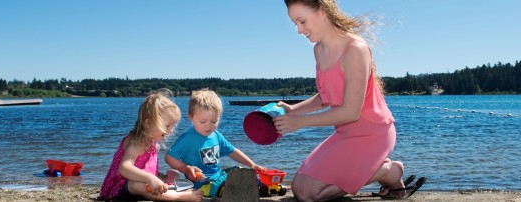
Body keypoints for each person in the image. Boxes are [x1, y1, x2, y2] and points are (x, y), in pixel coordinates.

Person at [273, 0, 425, 201]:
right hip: (345, 132)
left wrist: (301, 122)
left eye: (302, 21)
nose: (300, 31)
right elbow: (326, 95)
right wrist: (294, 110)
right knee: (299, 185)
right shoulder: (319, 49)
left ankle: (387, 172)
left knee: (307, 193)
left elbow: (351, 112)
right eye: (295, 24)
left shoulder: (355, 49)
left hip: (373, 133)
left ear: (322, 11)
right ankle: (376, 167)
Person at [98, 93, 203, 201]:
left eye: (173, 125)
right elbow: (124, 168)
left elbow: (146, 168)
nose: (171, 130)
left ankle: (167, 189)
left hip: (145, 184)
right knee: (137, 184)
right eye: (167, 125)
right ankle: (179, 196)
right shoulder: (137, 141)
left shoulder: (152, 141)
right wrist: (150, 178)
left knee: (174, 175)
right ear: (148, 124)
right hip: (121, 189)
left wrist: (185, 169)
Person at [165, 88, 266, 197]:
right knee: (225, 184)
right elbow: (169, 157)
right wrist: (186, 169)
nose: (209, 126)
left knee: (239, 171)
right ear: (191, 117)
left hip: (218, 177)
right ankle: (228, 189)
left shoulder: (216, 135)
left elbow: (232, 151)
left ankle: (259, 187)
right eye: (203, 122)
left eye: (214, 121)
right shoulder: (187, 139)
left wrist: (252, 164)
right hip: (202, 183)